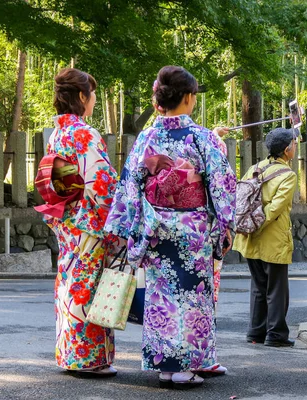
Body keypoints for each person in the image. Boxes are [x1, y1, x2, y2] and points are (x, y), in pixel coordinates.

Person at [104, 66, 236, 388]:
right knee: (192, 295)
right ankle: (185, 367)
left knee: (162, 295)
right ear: (189, 98)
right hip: (192, 231)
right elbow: (222, 184)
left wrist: (126, 226)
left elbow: (130, 185)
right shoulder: (202, 137)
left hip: (155, 228)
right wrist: (226, 222)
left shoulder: (146, 138)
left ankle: (167, 365)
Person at [38, 68, 119, 376]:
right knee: (87, 287)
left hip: (67, 219)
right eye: (92, 93)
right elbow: (101, 184)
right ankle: (88, 359)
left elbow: (55, 181)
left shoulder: (58, 132)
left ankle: (70, 355)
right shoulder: (84, 133)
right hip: (88, 221)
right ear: (82, 97)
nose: (94, 99)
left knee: (70, 285)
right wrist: (117, 221)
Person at [232, 127, 298, 348]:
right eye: (294, 144)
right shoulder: (288, 175)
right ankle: (276, 334)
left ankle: (255, 331)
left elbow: (241, 198)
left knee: (258, 286)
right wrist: (260, 224)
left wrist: (250, 225)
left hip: (249, 237)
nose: (295, 147)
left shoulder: (255, 168)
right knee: (277, 288)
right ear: (287, 149)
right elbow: (276, 208)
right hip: (273, 238)